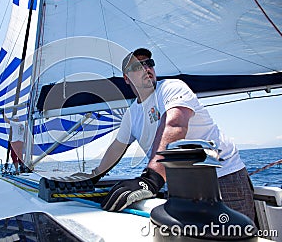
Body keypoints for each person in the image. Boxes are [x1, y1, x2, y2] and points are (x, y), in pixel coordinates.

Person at [94, 48, 255, 221]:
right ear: (126, 78)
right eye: (137, 67)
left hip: (222, 179)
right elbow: (116, 148)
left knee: (235, 236)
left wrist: (151, 179)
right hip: (180, 188)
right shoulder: (132, 114)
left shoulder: (171, 88)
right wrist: (93, 176)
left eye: (149, 63)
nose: (146, 68)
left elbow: (174, 125)